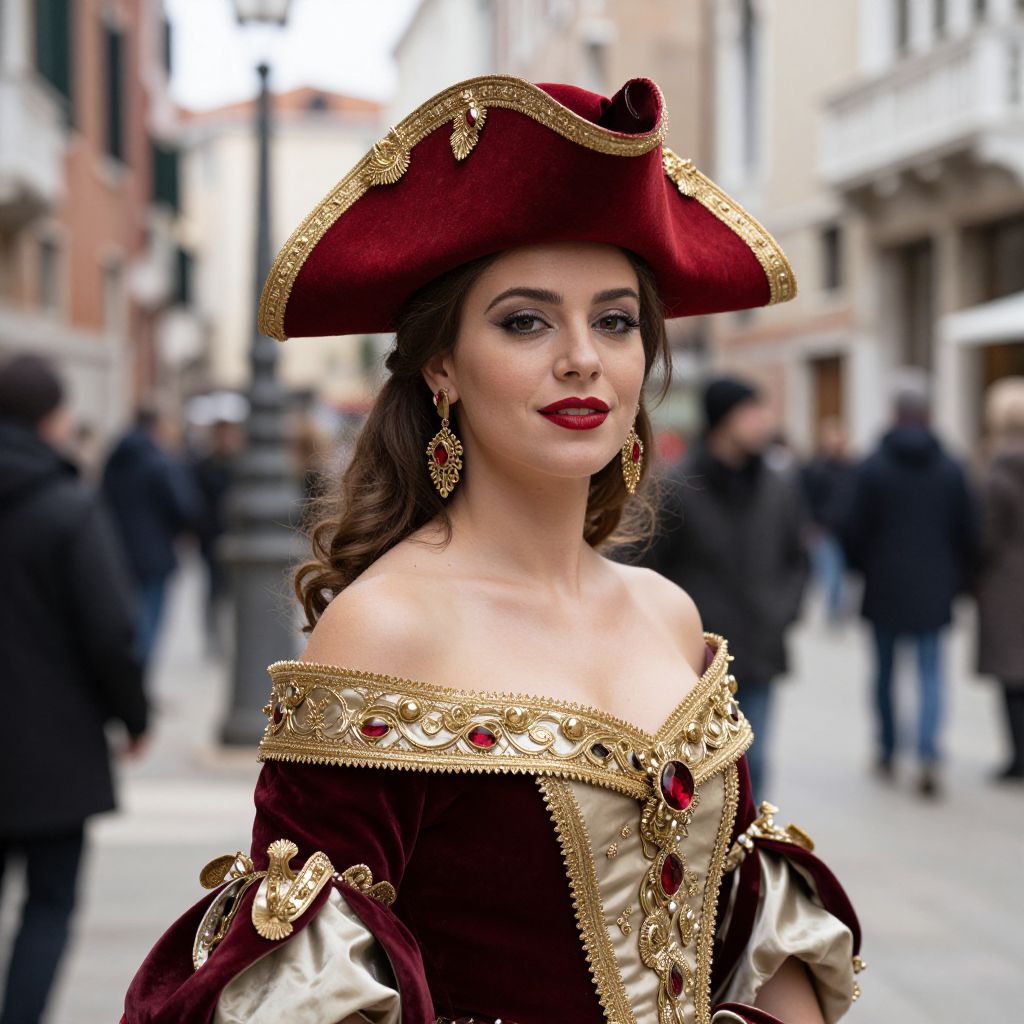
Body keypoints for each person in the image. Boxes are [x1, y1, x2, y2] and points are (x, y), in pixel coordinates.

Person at [122, 76, 863, 1024]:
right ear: (441, 364)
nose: (582, 358)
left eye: (615, 319)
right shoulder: (385, 627)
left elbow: (751, 923)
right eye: (525, 320)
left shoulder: (668, 614)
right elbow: (303, 982)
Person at [0, 355, 148, 1024]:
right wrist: (134, 716)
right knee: (49, 905)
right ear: (54, 418)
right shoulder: (65, 505)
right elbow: (109, 631)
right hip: (51, 750)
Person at [638, 376, 809, 801]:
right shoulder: (676, 487)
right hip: (696, 661)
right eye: (751, 412)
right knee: (700, 774)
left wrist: (783, 611)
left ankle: (747, 855)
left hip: (760, 647)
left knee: (757, 760)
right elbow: (646, 568)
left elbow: (798, 559)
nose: (762, 422)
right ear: (723, 421)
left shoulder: (778, 485)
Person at [842, 370, 978, 797]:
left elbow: (851, 528)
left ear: (894, 413)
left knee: (884, 673)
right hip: (934, 587)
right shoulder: (952, 467)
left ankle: (887, 748)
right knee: (931, 673)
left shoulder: (872, 466)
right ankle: (928, 752)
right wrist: (956, 578)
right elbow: (969, 531)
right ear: (928, 413)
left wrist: (863, 567)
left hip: (884, 584)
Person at [101, 405, 205, 672]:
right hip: (154, 552)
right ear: (156, 425)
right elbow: (183, 505)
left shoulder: (114, 459)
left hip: (117, 549)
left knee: (128, 618)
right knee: (149, 620)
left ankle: (126, 675)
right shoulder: (160, 461)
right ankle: (137, 680)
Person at [974, 377, 1024, 782]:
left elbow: (987, 536)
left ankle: (1018, 755)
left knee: (1012, 680)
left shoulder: (997, 472)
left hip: (1007, 586)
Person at [191, 419, 243, 656]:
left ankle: (231, 639)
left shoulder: (241, 465)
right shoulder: (203, 466)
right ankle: (215, 640)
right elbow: (195, 503)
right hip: (211, 539)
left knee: (235, 592)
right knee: (213, 590)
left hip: (238, 540)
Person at [801, 419, 857, 624]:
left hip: (846, 530)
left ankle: (838, 611)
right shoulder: (815, 468)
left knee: (842, 575)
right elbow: (805, 498)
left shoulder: (851, 468)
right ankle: (834, 614)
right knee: (832, 573)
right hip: (824, 529)